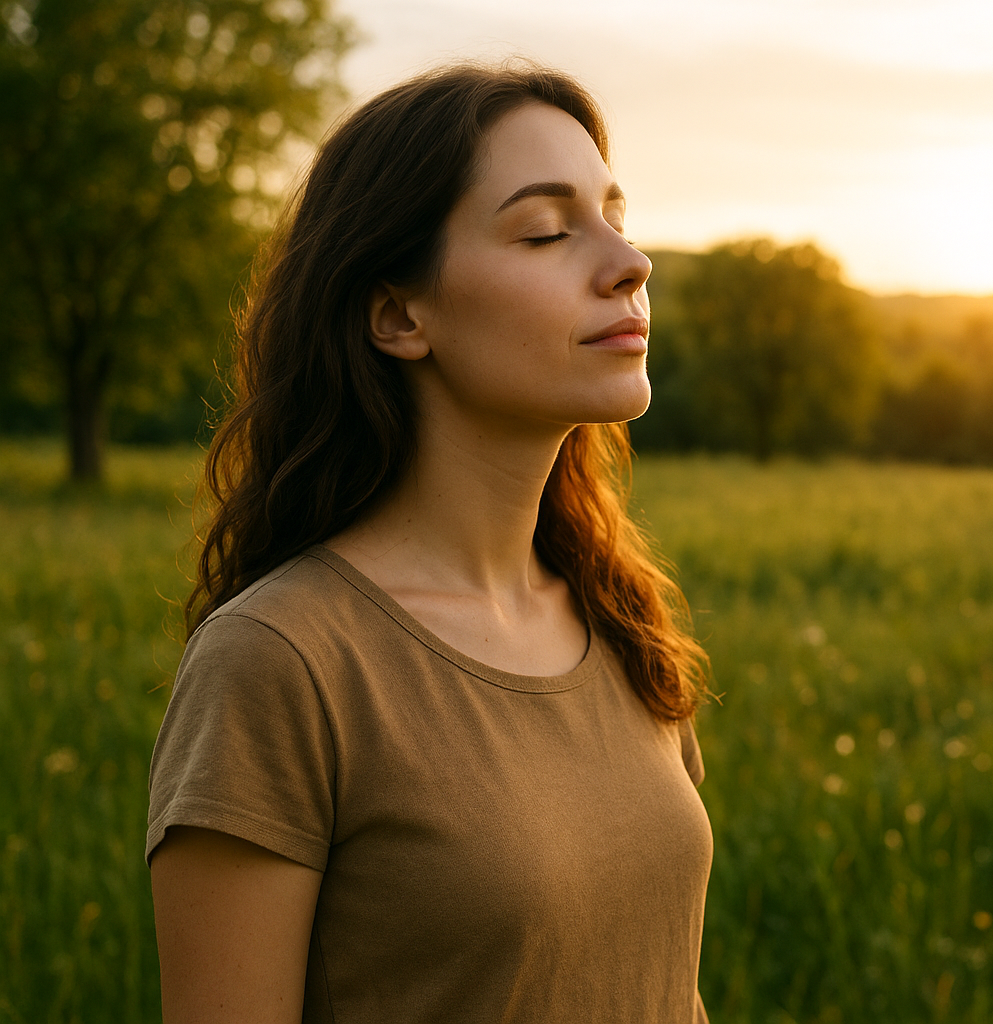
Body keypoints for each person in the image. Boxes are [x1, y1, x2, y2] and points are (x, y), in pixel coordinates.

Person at [146, 63, 713, 1023]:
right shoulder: (283, 665)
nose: (630, 261)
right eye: (547, 230)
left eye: (618, 216)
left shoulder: (616, 617)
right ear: (400, 316)